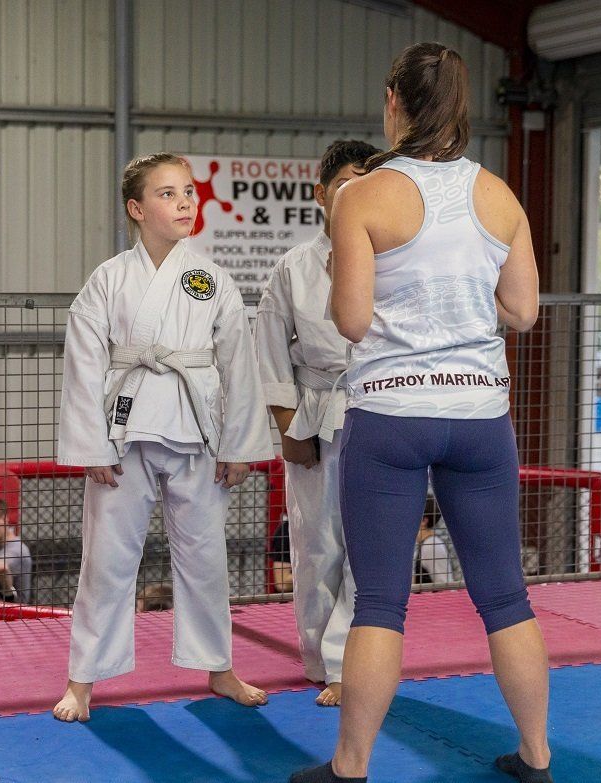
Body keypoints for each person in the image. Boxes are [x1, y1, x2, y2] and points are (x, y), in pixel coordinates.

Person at [291, 43, 552, 783]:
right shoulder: (499, 195)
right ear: (463, 106)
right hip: (479, 413)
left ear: (393, 102)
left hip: (392, 412)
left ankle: (350, 766)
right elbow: (525, 311)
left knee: (380, 600)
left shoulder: (363, 195)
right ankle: (537, 757)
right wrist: (467, 301)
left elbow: (349, 318)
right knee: (504, 595)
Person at [53, 152, 276, 722]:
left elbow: (238, 364)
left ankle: (219, 666)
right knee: (106, 561)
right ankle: (82, 679)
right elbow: (83, 362)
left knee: (206, 558)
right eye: (168, 194)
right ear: (136, 208)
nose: (184, 202)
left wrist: (239, 443)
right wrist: (91, 447)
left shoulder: (212, 279)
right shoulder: (108, 279)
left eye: (188, 192)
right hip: (123, 436)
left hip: (196, 431)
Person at [256, 139, 380, 707]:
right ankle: (320, 659)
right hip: (315, 407)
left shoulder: (393, 257)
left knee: (372, 542)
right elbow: (270, 352)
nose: (358, 193)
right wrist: (289, 425)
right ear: (322, 194)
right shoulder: (293, 267)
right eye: (349, 181)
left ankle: (353, 663)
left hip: (382, 407)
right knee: (316, 542)